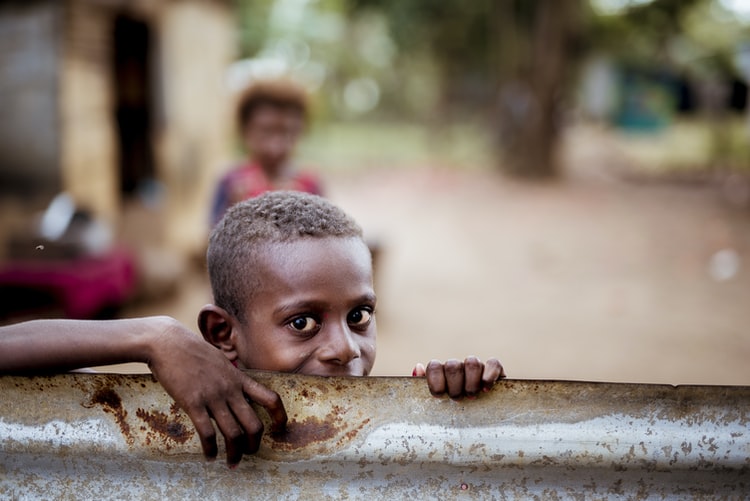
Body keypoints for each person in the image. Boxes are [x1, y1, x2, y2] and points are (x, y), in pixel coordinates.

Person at [0, 191, 505, 467]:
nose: (344, 349)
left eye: (360, 316)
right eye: (303, 323)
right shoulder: (184, 406)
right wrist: (154, 337)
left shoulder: (389, 422)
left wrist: (450, 410)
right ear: (223, 334)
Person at [210, 79, 323, 226]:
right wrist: (235, 215)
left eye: (286, 132)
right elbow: (212, 241)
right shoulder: (231, 183)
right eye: (266, 132)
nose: (275, 146)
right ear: (246, 131)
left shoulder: (309, 185)